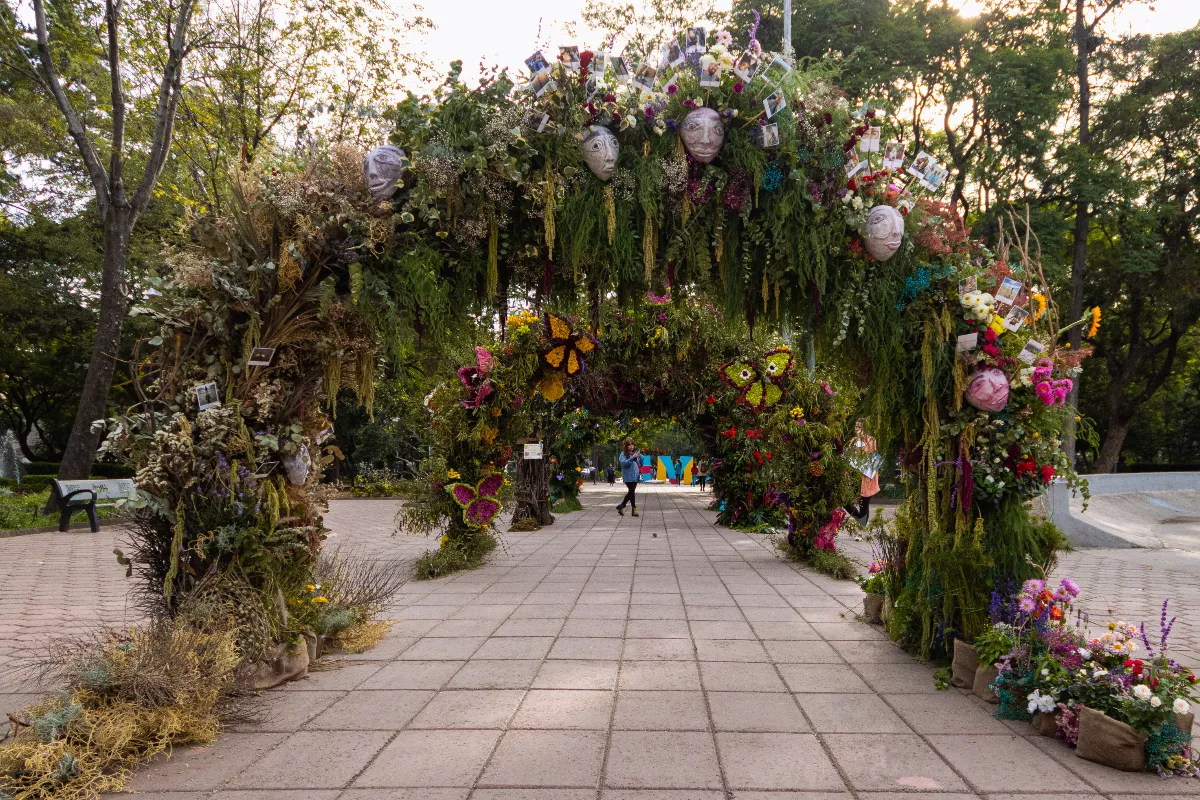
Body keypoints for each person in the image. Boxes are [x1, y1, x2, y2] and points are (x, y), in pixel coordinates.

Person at [846, 419, 881, 522]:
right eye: (856, 426)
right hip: (853, 476)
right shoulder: (852, 441)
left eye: (859, 427)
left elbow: (867, 454)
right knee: (846, 502)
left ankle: (862, 526)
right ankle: (860, 521)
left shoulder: (871, 440)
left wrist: (860, 439)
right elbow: (851, 455)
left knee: (864, 504)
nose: (857, 429)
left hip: (866, 477)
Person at [616, 438, 641, 518]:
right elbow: (624, 464)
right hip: (628, 476)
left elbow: (639, 464)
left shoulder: (633, 453)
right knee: (632, 491)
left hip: (635, 476)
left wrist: (638, 457)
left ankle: (622, 506)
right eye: (629, 445)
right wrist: (632, 458)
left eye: (632, 444)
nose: (631, 446)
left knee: (631, 491)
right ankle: (634, 509)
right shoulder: (622, 454)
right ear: (626, 446)